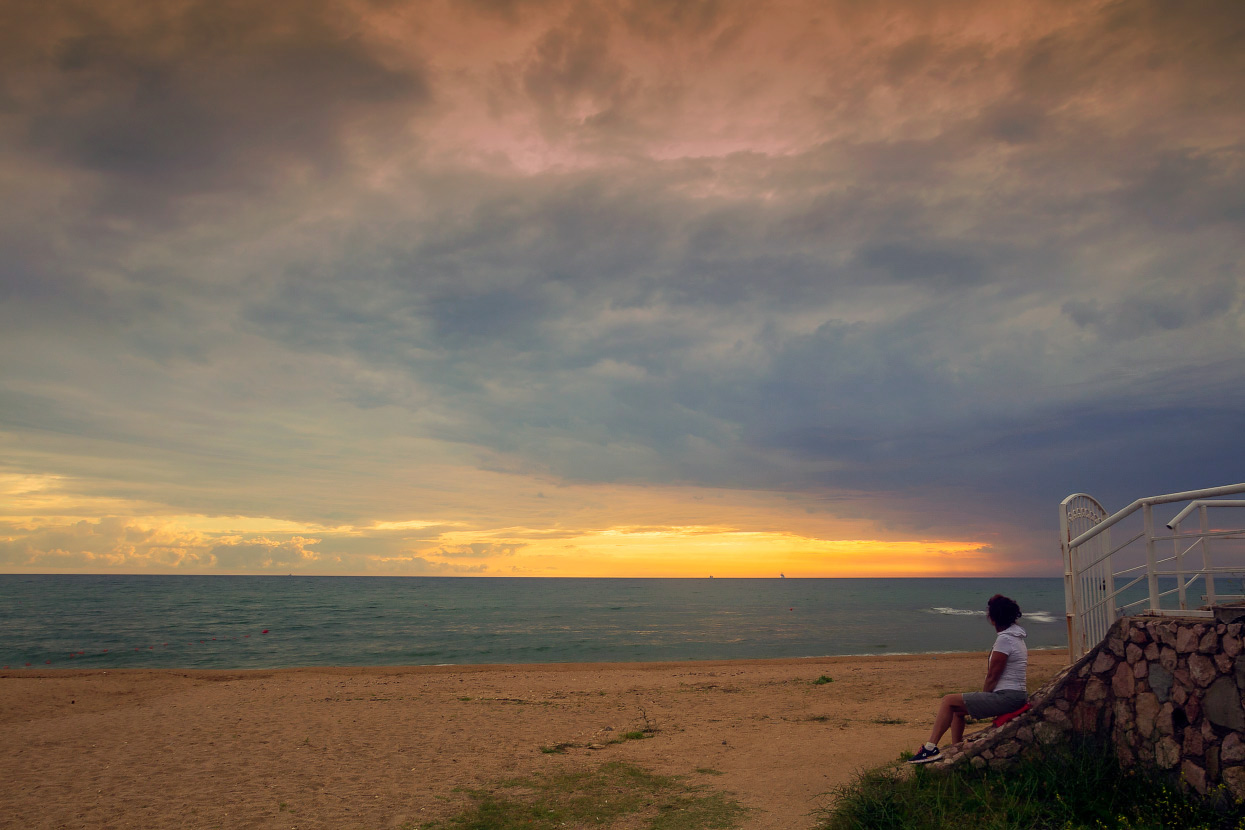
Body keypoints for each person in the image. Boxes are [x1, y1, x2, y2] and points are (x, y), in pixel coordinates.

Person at [908, 594, 1028, 764]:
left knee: (948, 700)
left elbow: (992, 676)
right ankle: (956, 749)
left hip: (1008, 697)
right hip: (1015, 695)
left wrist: (985, 697)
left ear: (993, 619)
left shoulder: (1005, 640)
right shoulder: (1016, 637)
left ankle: (930, 749)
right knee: (957, 711)